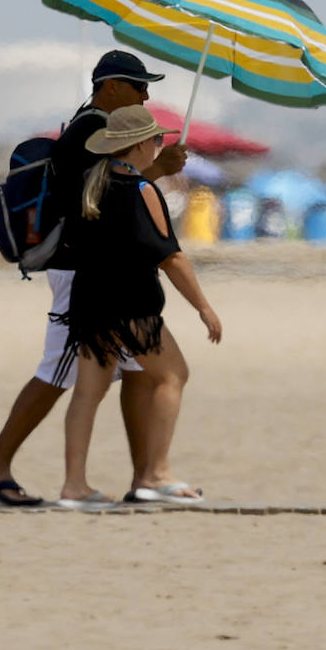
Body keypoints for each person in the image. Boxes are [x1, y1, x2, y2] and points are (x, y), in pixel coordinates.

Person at [0, 50, 187, 506]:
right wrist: (160, 169)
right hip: (80, 272)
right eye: (137, 85)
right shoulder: (92, 130)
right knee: (59, 373)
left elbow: (111, 184)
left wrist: (155, 169)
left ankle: (146, 476)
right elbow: (105, 192)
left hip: (93, 272)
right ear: (108, 87)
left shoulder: (90, 127)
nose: (147, 94)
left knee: (137, 371)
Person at [55, 105, 222, 507]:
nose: (161, 145)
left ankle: (73, 485)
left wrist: (159, 171)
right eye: (157, 140)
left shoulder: (91, 184)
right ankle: (154, 473)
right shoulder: (143, 192)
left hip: (90, 301)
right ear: (140, 145)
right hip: (131, 305)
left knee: (88, 393)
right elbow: (172, 256)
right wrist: (204, 307)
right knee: (173, 375)